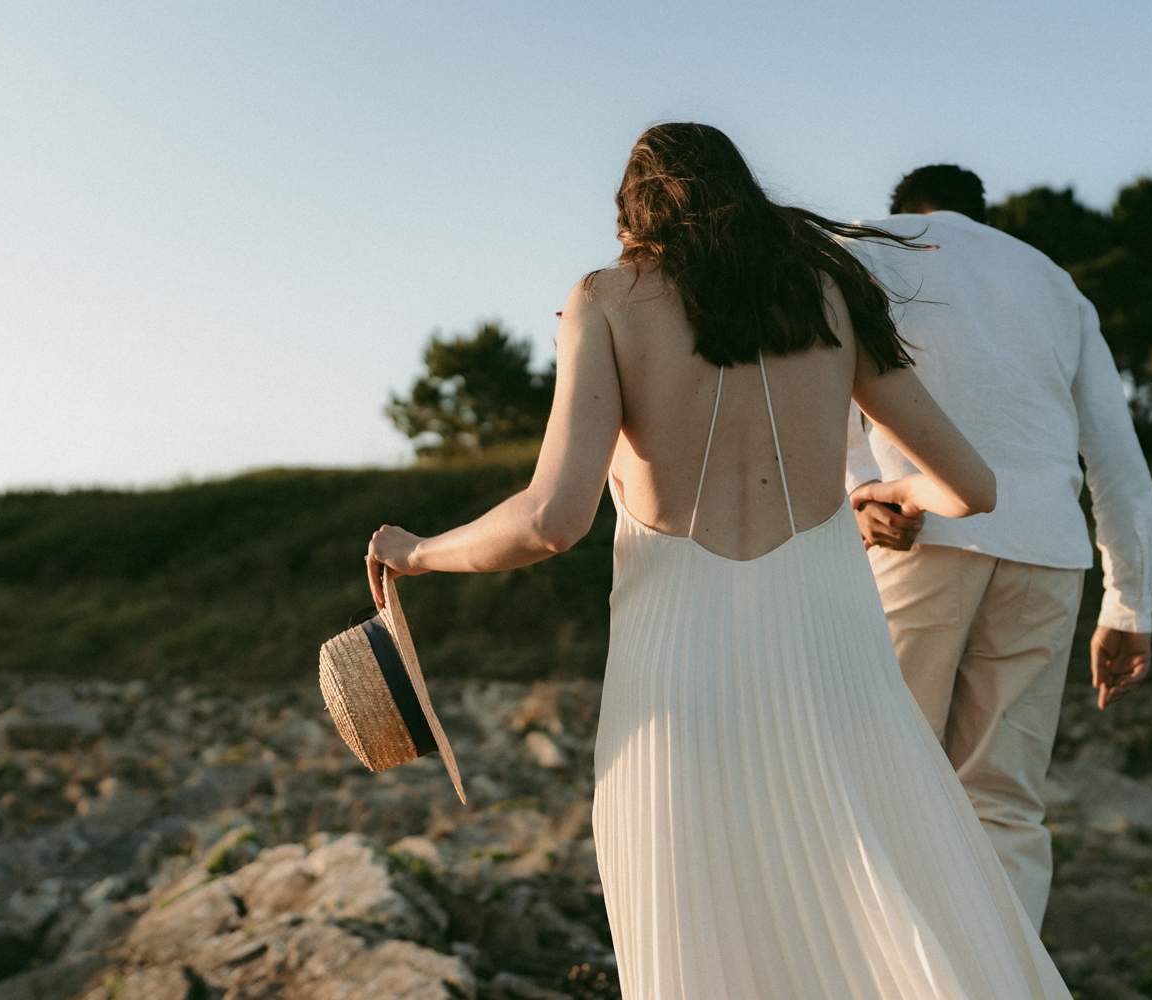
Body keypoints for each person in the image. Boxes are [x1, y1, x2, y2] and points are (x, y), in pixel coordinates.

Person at [368, 126, 1074, 999]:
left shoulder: (605, 300)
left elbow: (552, 520)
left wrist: (420, 553)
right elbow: (971, 488)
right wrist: (887, 500)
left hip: (678, 658)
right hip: (830, 644)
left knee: (701, 910)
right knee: (873, 884)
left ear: (634, 211)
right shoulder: (829, 297)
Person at [845, 164, 1152, 930]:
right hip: (1046, 556)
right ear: (981, 214)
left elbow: (821, 388)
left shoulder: (864, 249)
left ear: (905, 209)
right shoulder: (1053, 282)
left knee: (884, 781)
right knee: (1006, 802)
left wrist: (857, 490)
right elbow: (1115, 456)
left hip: (916, 531)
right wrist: (1129, 602)